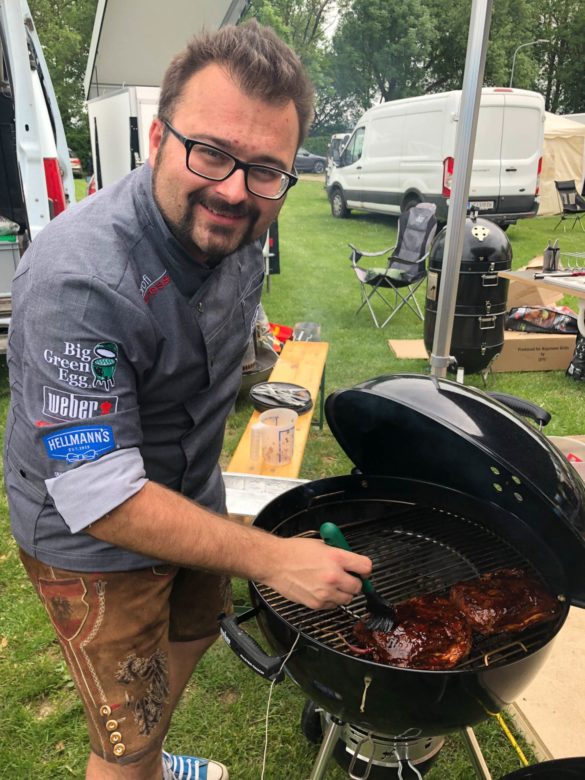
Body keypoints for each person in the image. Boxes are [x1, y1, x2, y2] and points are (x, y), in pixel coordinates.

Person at [3, 20, 371, 780]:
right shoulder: (80, 279)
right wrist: (271, 558)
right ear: (157, 138)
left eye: (265, 169)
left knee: (189, 639)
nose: (235, 191)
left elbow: (227, 350)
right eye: (211, 153)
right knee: (123, 741)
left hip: (194, 500)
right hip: (95, 547)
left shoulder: (238, 235)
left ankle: (155, 759)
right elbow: (99, 497)